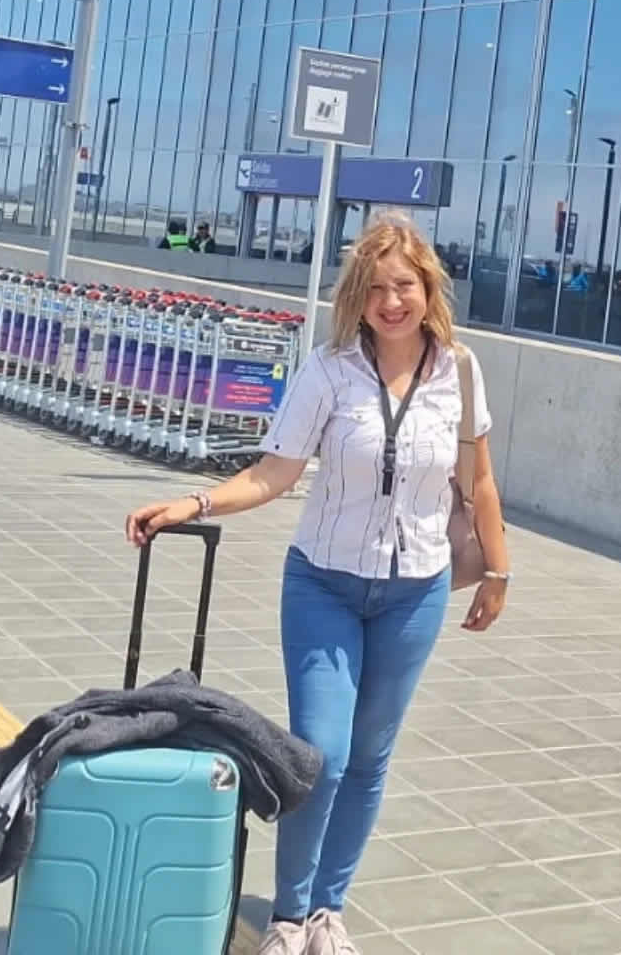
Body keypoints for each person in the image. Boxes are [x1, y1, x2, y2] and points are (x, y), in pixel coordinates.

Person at [125, 218, 511, 955]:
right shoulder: (329, 371)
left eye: (404, 285)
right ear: (356, 298)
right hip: (324, 586)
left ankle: (330, 910)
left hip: (415, 591)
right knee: (321, 753)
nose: (391, 302)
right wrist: (193, 503)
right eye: (376, 289)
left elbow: (481, 479)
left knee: (370, 758)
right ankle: (288, 916)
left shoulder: (459, 371)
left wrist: (497, 571)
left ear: (429, 288)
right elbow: (274, 473)